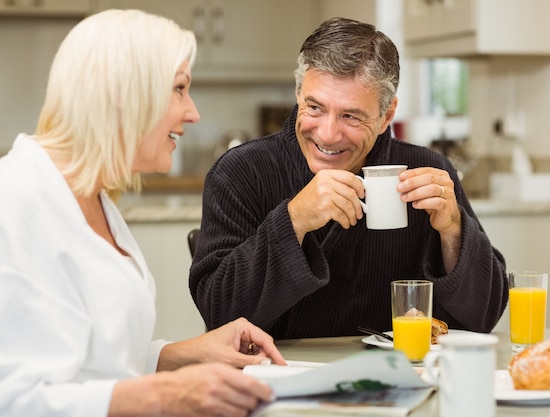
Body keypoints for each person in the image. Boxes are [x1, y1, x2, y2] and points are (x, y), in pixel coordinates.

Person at [0, 9, 286, 417]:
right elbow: (13, 400)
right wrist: (167, 395)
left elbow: (99, 360)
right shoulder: (15, 203)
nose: (193, 112)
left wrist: (186, 355)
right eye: (179, 89)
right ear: (127, 95)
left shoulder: (92, 197)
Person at [190, 17, 508, 340]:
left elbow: (483, 318)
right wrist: (295, 219)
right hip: (274, 380)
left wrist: (453, 230)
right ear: (299, 94)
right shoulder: (241, 172)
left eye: (350, 116)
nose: (327, 134)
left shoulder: (424, 170)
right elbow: (220, 314)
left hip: (400, 380)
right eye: (314, 107)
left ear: (386, 115)